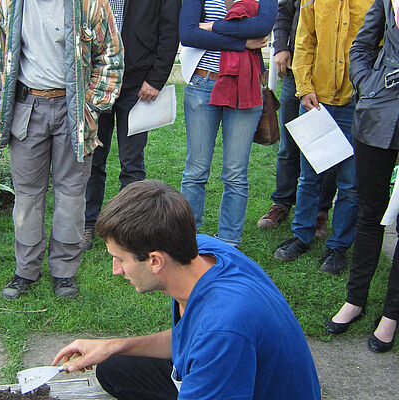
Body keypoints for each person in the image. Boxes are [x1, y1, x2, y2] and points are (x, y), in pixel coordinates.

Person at [52, 180, 321, 399]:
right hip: (238, 366)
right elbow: (190, 336)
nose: (116, 270)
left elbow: (211, 335)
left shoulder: (221, 329)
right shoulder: (203, 250)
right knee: (114, 367)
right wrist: (114, 345)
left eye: (120, 259)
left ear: (155, 260)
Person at [0, 0, 124, 299]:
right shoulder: (6, 4)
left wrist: (91, 105)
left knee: (71, 195)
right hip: (27, 106)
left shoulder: (91, 4)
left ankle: (64, 272)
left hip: (73, 109)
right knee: (26, 196)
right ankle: (25, 270)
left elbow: (111, 57)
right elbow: (2, 56)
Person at [273, 0, 371, 275]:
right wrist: (304, 88)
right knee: (310, 175)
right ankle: (301, 236)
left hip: (358, 101)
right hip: (319, 100)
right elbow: (304, 40)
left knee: (350, 183)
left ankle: (338, 247)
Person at [326, 0, 399, 353]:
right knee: (369, 213)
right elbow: (361, 46)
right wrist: (367, 83)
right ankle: (355, 300)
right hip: (378, 115)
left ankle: (392, 315)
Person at [82, 0, 181, 251]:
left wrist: (156, 79)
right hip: (98, 82)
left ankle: (129, 229)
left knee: (132, 163)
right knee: (93, 158)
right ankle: (87, 224)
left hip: (138, 87)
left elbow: (170, 33)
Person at [179, 0, 276, 247]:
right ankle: (186, 241)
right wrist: (241, 42)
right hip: (203, 85)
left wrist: (211, 27)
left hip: (247, 86)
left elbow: (263, 26)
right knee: (195, 171)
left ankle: (229, 242)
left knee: (235, 173)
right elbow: (188, 34)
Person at [256, 0, 335, 241]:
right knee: (290, 144)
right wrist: (281, 47)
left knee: (327, 147)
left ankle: (320, 212)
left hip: (335, 76)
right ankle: (282, 202)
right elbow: (284, 12)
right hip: (297, 70)